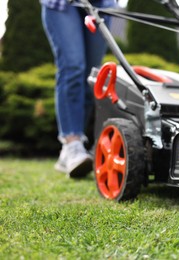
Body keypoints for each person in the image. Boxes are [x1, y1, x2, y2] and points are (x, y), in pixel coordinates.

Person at [40, 0, 116, 177]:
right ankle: (72, 142)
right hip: (61, 5)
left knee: (92, 77)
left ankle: (72, 150)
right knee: (73, 67)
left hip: (100, 4)